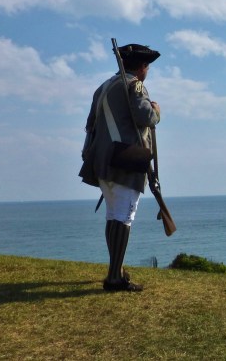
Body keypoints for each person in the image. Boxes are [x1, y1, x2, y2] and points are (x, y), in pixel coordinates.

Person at [79, 43, 161, 292]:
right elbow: (145, 117)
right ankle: (115, 277)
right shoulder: (135, 85)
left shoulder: (102, 88)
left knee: (114, 216)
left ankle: (116, 269)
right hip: (124, 159)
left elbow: (90, 125)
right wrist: (156, 110)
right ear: (141, 67)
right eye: (146, 67)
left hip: (103, 160)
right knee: (124, 218)